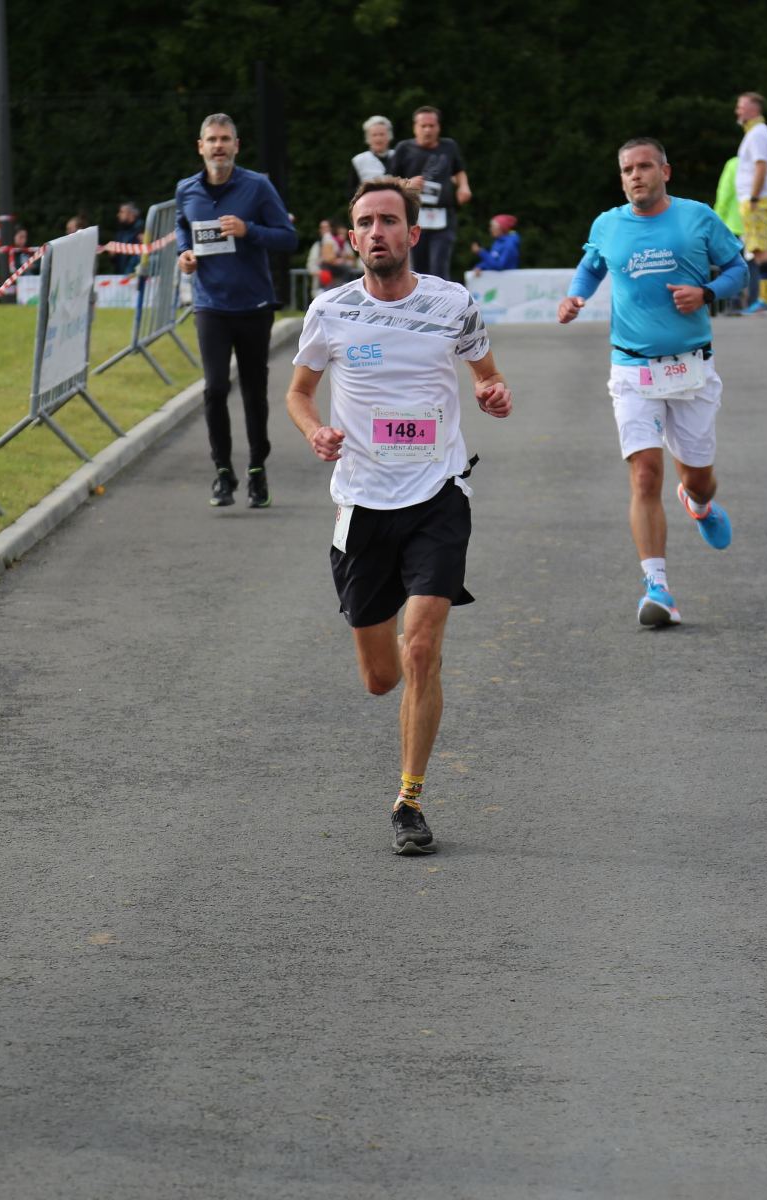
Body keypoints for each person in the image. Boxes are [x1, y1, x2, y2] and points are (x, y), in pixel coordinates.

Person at [285, 178, 512, 855]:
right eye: (365, 222)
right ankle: (383, 636)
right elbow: (298, 394)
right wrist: (315, 432)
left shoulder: (452, 303)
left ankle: (409, 800)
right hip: (361, 503)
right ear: (352, 238)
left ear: (412, 233)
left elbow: (486, 375)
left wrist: (493, 392)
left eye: (388, 220)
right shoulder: (330, 310)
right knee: (381, 677)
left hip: (438, 494)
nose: (376, 231)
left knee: (422, 648)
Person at [557, 137, 748, 628]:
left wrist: (706, 292)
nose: (635, 176)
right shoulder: (608, 224)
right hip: (632, 367)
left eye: (644, 166)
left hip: (691, 366)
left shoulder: (697, 217)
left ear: (666, 171)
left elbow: (738, 269)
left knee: (697, 477)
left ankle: (698, 503)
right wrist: (575, 297)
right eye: (627, 170)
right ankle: (657, 587)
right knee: (645, 474)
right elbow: (591, 266)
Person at [175, 112, 299, 509]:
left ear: (236, 145)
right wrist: (184, 253)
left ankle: (257, 470)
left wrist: (249, 230)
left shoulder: (257, 186)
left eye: (225, 139)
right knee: (214, 389)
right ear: (201, 147)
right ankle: (223, 471)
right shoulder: (186, 189)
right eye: (212, 140)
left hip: (253, 305)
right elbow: (182, 227)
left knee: (253, 391)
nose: (219, 146)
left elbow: (288, 238)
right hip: (210, 305)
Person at [390, 106, 471, 281]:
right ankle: (419, 298)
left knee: (439, 266)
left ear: (438, 127)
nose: (427, 130)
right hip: (414, 215)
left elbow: (459, 170)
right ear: (415, 127)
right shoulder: (404, 148)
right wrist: (408, 184)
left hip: (443, 215)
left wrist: (464, 187)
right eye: (423, 126)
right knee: (418, 268)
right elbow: (389, 180)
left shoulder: (449, 146)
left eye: (431, 126)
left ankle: (442, 298)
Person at [733, 92, 767, 314]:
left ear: (754, 109)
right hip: (753, 199)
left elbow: (761, 165)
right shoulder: (754, 133)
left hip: (756, 200)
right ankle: (765, 300)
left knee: (761, 250)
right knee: (758, 250)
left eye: (741, 106)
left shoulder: (758, 133)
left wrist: (754, 197)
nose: (737, 111)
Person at [350, 115, 397, 194]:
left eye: (382, 134)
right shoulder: (358, 160)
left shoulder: (399, 156)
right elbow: (351, 191)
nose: (378, 138)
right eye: (374, 135)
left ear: (389, 136)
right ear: (367, 138)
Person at [107, 201, 144, 275]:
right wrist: (112, 255)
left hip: (133, 277)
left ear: (130, 214)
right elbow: (116, 261)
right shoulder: (121, 232)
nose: (118, 215)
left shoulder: (142, 230)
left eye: (122, 212)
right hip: (122, 277)